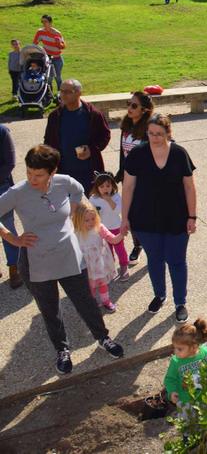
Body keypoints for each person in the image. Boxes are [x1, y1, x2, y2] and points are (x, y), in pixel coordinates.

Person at [0, 145, 124, 374]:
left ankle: (104, 338)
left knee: (85, 301)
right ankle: (62, 349)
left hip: (69, 255)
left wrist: (75, 210)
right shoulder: (18, 192)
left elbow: (78, 191)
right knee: (50, 309)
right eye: (28, 172)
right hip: (37, 261)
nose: (32, 179)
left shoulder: (63, 181)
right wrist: (13, 239)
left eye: (38, 174)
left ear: (52, 171)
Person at [121, 113, 197, 323]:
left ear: (168, 133)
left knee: (176, 261)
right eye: (151, 133)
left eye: (159, 134)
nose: (154, 138)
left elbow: (189, 187)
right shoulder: (137, 154)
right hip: (145, 219)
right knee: (154, 259)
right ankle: (159, 295)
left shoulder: (180, 153)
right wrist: (124, 217)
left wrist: (192, 216)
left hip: (177, 217)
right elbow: (127, 187)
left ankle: (180, 302)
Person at [43, 79, 111, 194]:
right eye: (61, 91)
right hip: (63, 172)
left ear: (79, 93)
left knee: (89, 208)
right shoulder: (55, 116)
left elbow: (105, 135)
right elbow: (48, 142)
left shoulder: (93, 114)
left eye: (68, 92)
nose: (63, 95)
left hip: (88, 172)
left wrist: (91, 150)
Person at [117, 91, 154, 265]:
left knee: (148, 215)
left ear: (145, 110)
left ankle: (153, 248)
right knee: (131, 215)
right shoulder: (126, 125)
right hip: (128, 179)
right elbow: (123, 154)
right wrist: (120, 172)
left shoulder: (150, 129)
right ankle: (138, 245)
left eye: (134, 105)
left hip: (146, 181)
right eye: (128, 104)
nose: (129, 108)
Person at [164, 318, 207, 417]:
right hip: (184, 398)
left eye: (180, 349)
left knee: (203, 415)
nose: (175, 352)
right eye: (174, 347)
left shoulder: (205, 352)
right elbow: (169, 379)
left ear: (194, 347)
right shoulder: (176, 361)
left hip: (203, 394)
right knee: (187, 419)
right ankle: (187, 431)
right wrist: (172, 392)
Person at [89, 172, 129, 282]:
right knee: (106, 250)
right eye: (101, 187)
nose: (105, 189)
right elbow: (90, 213)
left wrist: (109, 200)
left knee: (120, 249)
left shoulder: (116, 197)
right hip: (101, 229)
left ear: (112, 186)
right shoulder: (93, 199)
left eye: (108, 186)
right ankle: (110, 268)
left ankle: (124, 266)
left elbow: (118, 211)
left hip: (116, 227)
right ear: (97, 188)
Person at [0, 123, 20, 288]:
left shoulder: (2, 131)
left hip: (2, 188)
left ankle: (15, 267)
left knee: (7, 229)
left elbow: (10, 163)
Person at [33, 14, 66, 92]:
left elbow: (63, 46)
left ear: (50, 22)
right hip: (47, 58)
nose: (43, 23)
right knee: (49, 77)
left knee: (57, 77)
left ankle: (61, 93)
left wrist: (59, 43)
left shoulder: (57, 33)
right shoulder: (40, 32)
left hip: (57, 58)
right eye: (42, 21)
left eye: (45, 21)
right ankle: (48, 94)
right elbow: (35, 44)